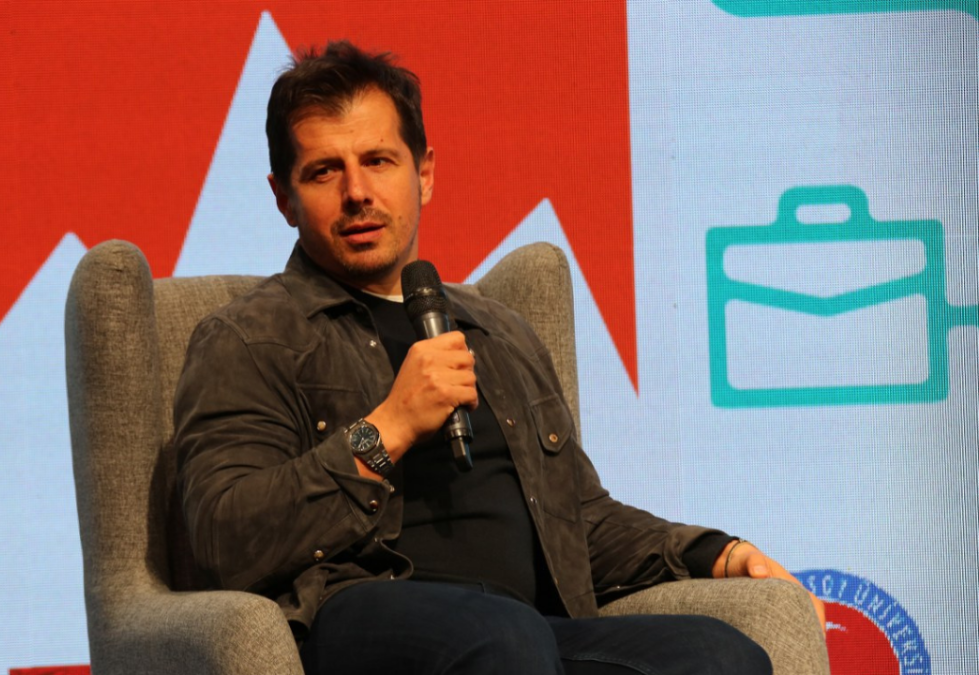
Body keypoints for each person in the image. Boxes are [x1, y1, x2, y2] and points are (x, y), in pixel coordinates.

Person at [173, 40, 824, 675]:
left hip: (525, 630)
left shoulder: (498, 331)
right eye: (324, 171)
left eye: (378, 160)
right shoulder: (250, 337)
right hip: (362, 612)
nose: (357, 192)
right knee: (503, 636)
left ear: (424, 173)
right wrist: (388, 428)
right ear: (283, 197)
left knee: (721, 653)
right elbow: (223, 539)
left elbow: (580, 521)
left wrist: (716, 552)